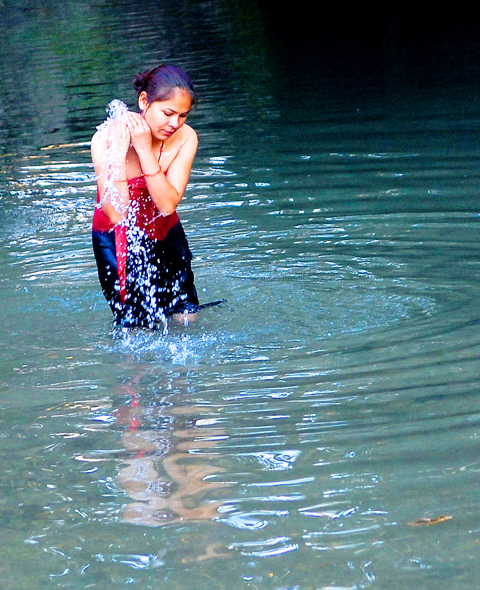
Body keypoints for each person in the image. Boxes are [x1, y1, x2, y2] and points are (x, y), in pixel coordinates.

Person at [91, 64, 201, 328]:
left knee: (187, 315)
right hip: (117, 242)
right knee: (136, 326)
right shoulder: (104, 139)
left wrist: (144, 150)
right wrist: (118, 153)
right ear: (144, 101)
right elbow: (117, 214)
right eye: (168, 113)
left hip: (166, 232)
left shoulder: (186, 138)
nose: (175, 123)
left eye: (183, 115)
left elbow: (167, 205)